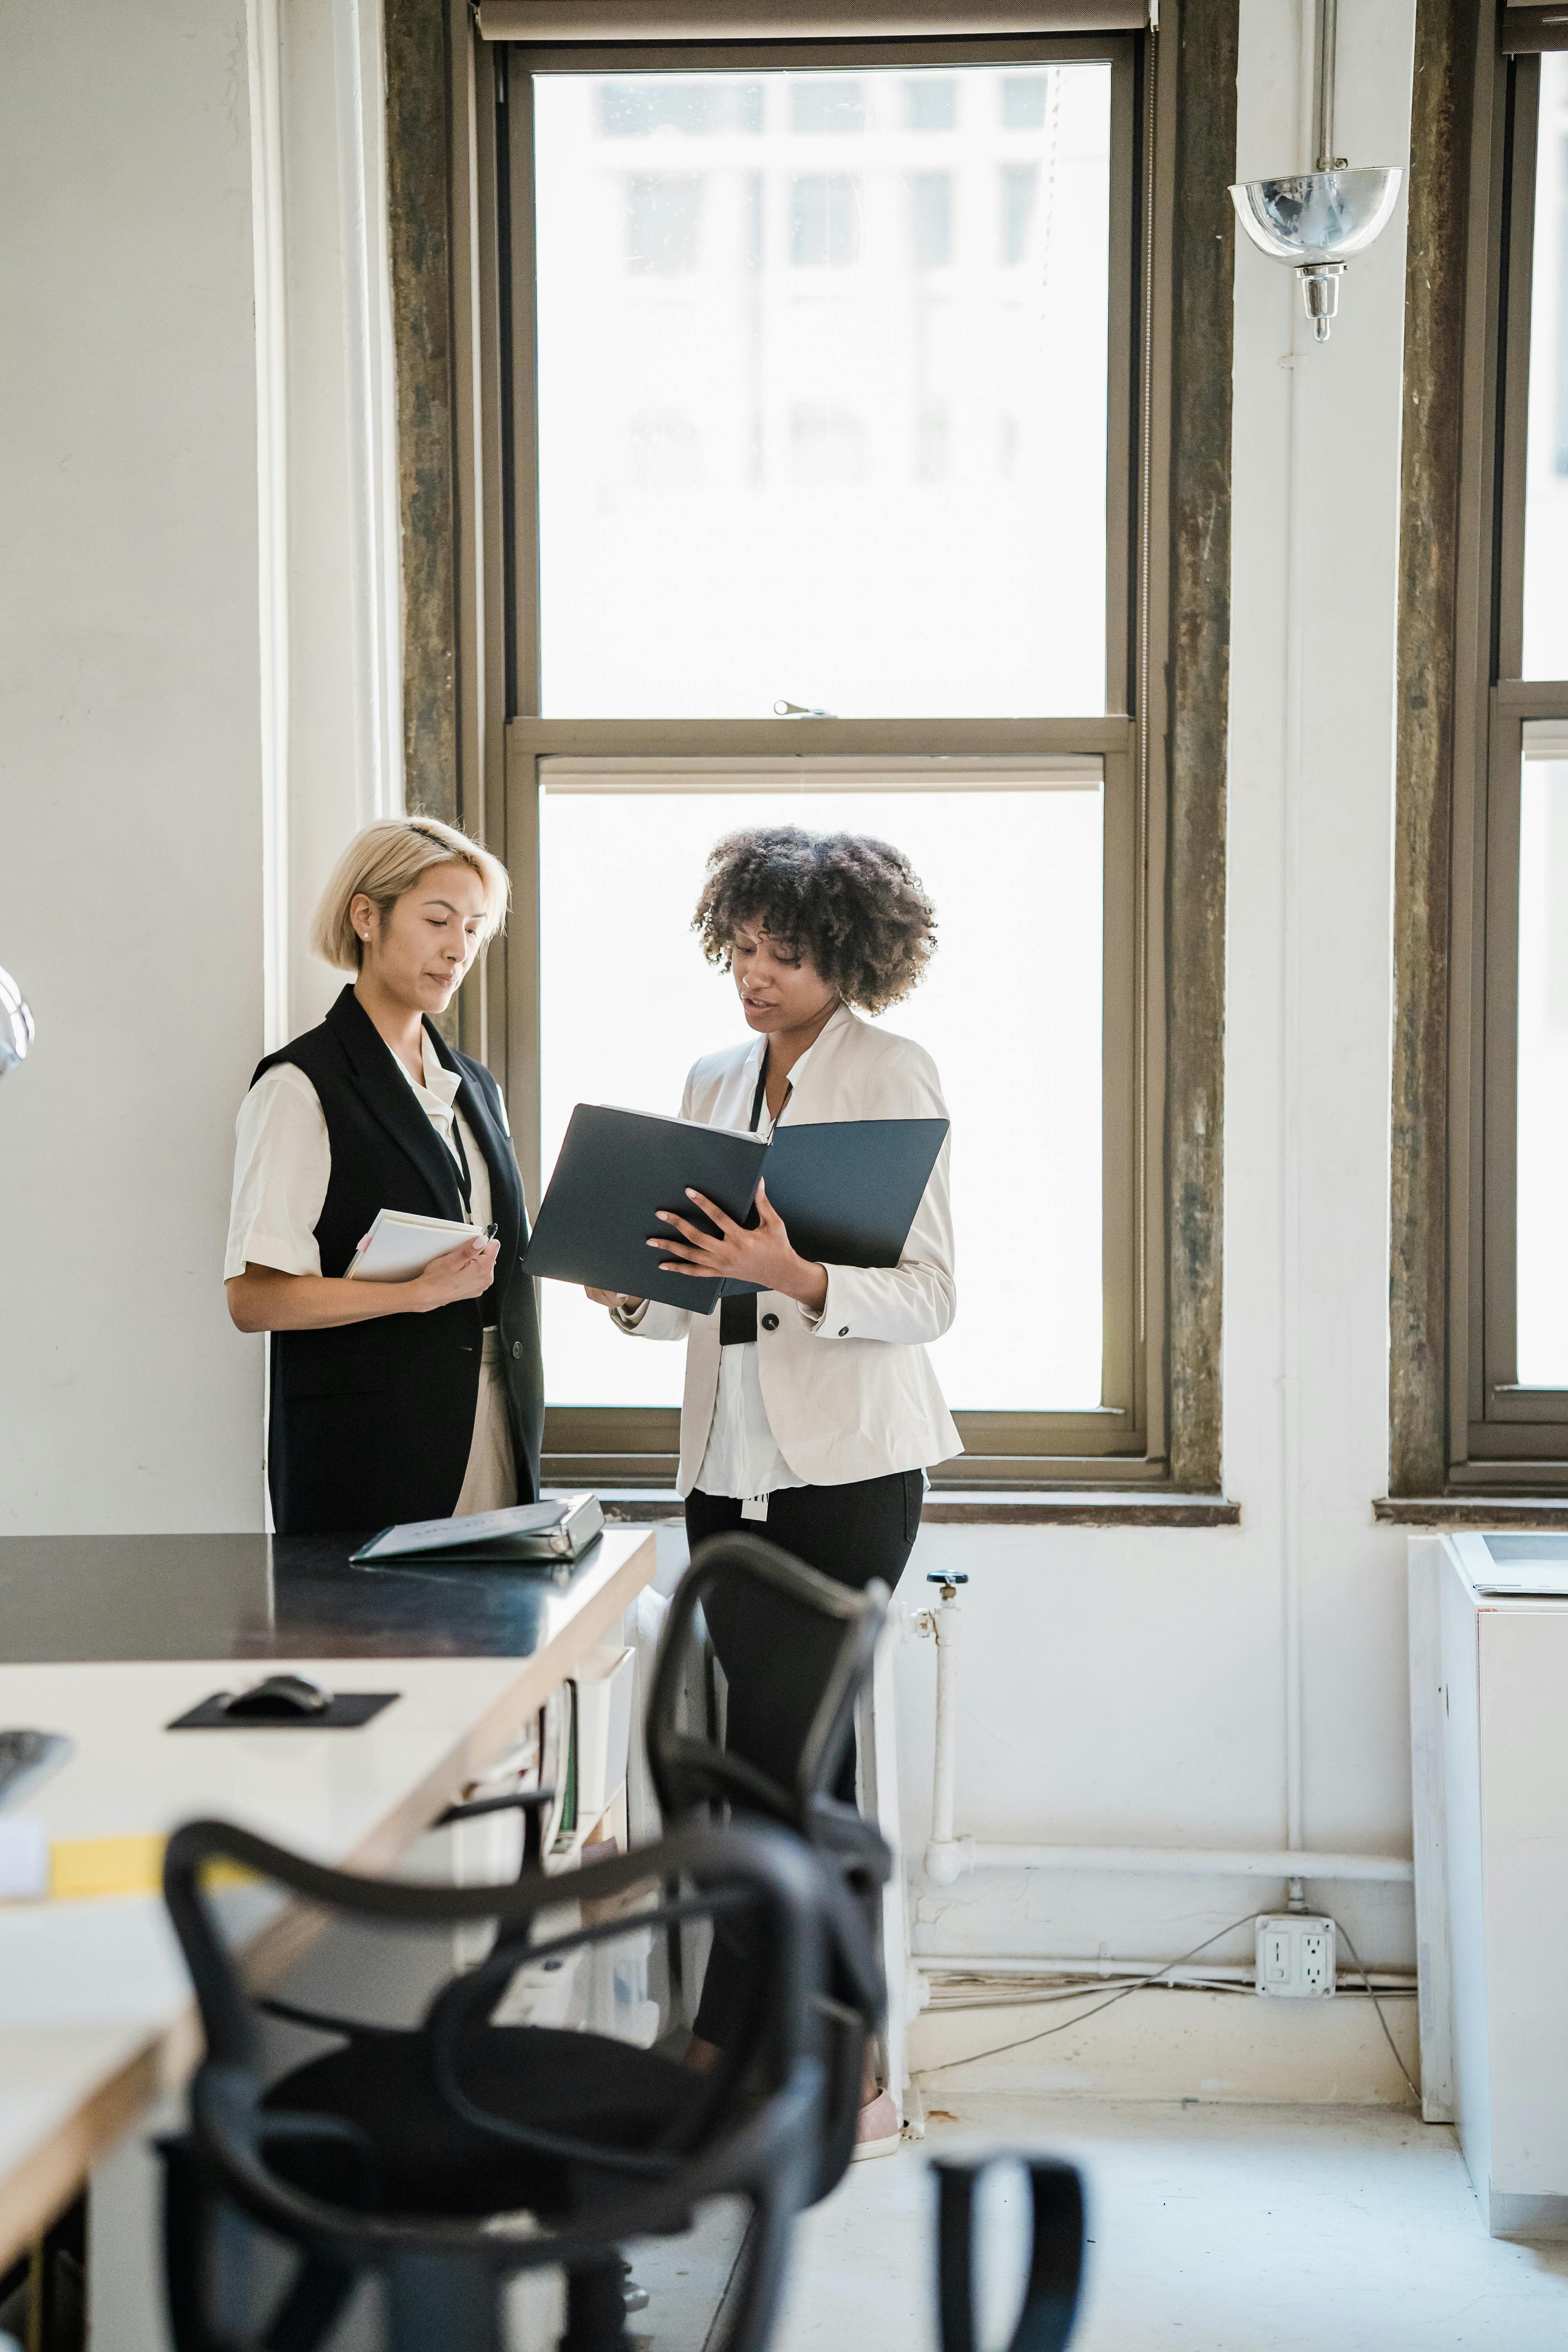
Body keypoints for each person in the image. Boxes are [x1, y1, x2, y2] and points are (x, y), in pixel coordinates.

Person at [586, 823, 959, 2156]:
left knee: (799, 1775)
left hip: (848, 1472)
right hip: (722, 1467)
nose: (755, 976)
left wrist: (794, 1271)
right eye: (741, 948)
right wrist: (626, 1286)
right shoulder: (710, 1076)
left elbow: (930, 1296)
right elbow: (685, 1294)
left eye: (785, 956)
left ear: (845, 957)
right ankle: (761, 2052)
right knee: (763, 1766)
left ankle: (822, 2071)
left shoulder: (891, 1071)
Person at [225, 817, 543, 1536]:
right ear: (366, 916)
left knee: (495, 1646)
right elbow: (254, 1299)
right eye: (438, 920)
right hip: (370, 1452)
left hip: (497, 1425)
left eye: (473, 927)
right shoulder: (300, 1085)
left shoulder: (475, 1087)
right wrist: (416, 1294)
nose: (458, 949)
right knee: (385, 1646)